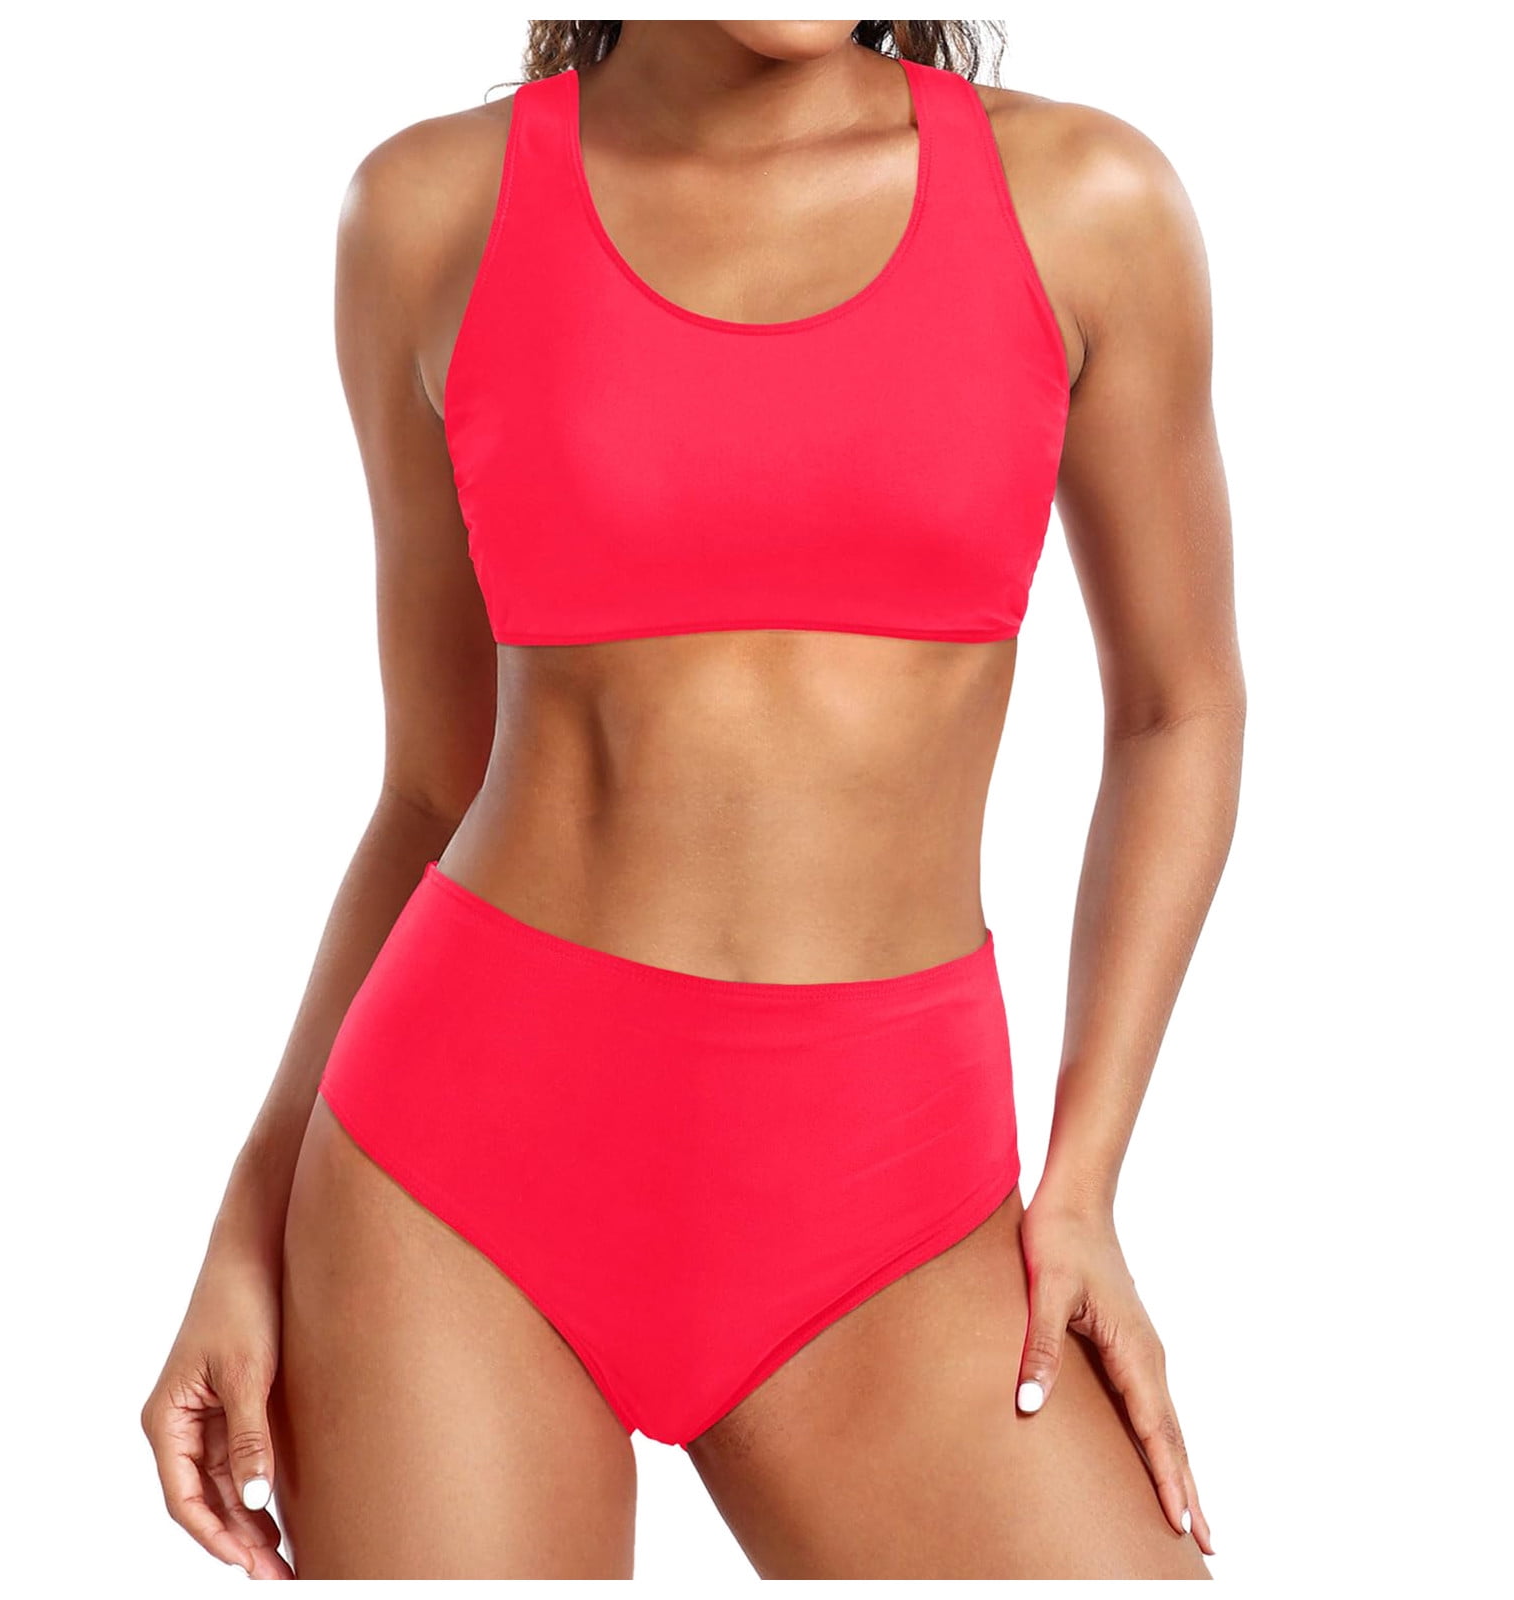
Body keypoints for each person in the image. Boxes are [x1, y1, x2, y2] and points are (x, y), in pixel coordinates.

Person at [141, 19, 1242, 1579]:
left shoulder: (1081, 201)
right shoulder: (429, 213)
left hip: (896, 1205)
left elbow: (1179, 710)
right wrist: (250, 1216)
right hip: (458, 1190)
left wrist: (1085, 1181)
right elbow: (432, 782)